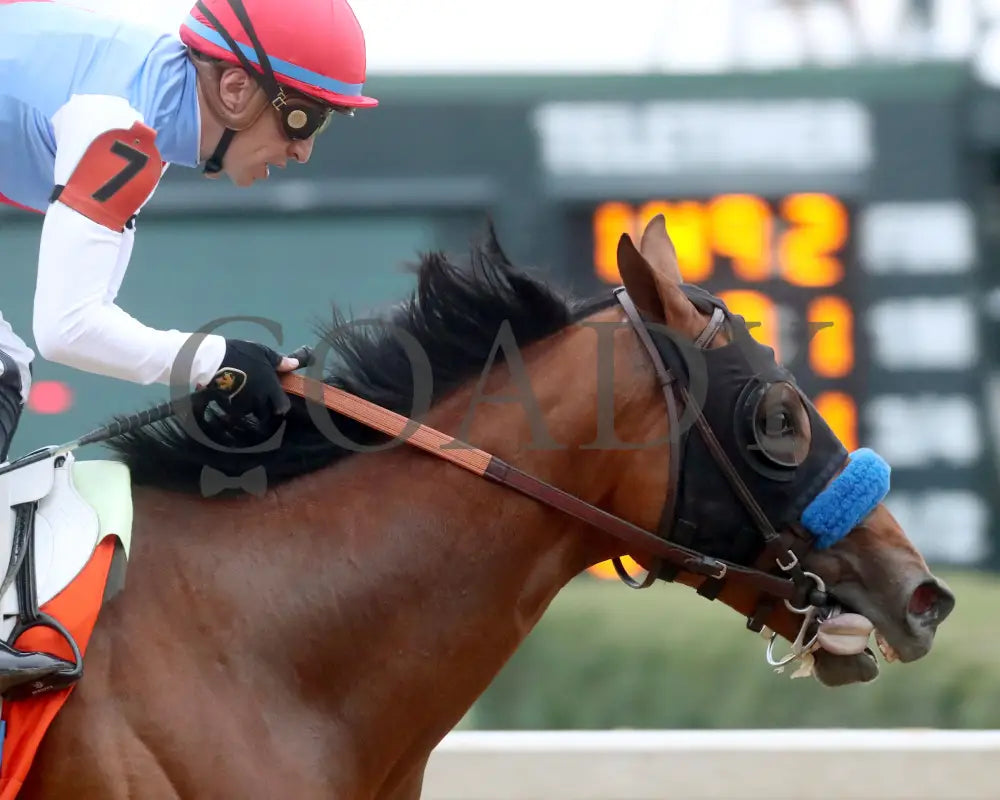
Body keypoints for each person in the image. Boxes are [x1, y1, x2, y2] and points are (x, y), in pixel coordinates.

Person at [0, 0, 378, 694]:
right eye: (304, 117)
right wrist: (215, 361)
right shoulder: (123, 123)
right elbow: (68, 325)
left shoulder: (146, 106)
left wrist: (218, 364)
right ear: (234, 89)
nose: (303, 148)